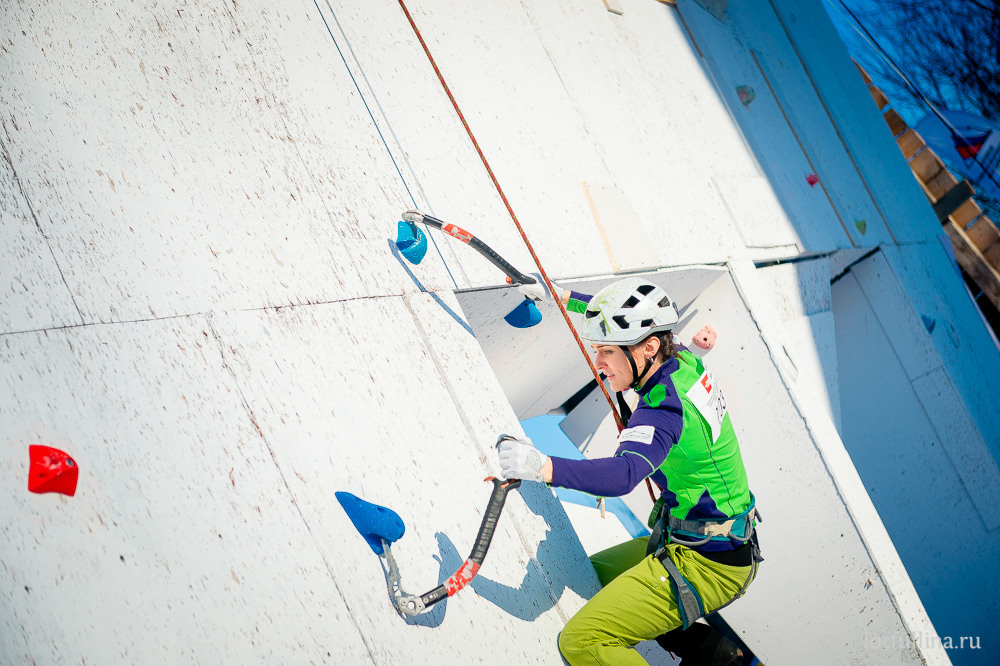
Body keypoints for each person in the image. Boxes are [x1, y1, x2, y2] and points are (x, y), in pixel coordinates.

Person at [497, 277, 761, 666]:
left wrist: (543, 466)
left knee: (583, 641)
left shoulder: (664, 409)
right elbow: (617, 317)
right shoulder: (681, 360)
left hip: (709, 564)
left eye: (606, 351)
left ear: (649, 347)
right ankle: (704, 649)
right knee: (585, 574)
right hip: (702, 541)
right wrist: (559, 295)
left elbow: (623, 476)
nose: (598, 363)